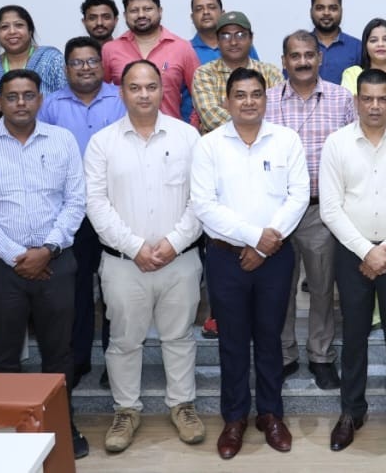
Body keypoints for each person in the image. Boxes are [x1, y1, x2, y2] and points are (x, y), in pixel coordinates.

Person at [0, 69, 89, 458]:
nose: (21, 103)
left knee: (59, 353)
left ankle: (62, 425)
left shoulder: (62, 140)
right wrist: (16, 255)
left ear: (40, 100)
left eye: (28, 95)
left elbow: (76, 201)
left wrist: (47, 249)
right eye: (12, 97)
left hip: (56, 261)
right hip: (3, 267)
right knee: (4, 353)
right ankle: (9, 431)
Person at [85, 60, 206, 452]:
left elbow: (201, 199)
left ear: (162, 89)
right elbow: (96, 204)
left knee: (180, 336)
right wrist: (135, 247)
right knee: (123, 340)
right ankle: (126, 410)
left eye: (151, 86)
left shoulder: (188, 137)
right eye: (134, 87)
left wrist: (173, 242)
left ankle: (182, 406)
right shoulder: (102, 143)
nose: (143, 94)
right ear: (121, 91)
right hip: (123, 263)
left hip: (180, 259)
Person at [190, 68, 308, 459]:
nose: (248, 101)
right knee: (233, 341)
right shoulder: (209, 146)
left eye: (256, 94)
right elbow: (204, 205)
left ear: (266, 99)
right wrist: (254, 238)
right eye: (240, 95)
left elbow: (298, 196)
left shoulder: (286, 140)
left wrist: (265, 244)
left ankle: (271, 414)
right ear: (226, 102)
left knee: (272, 338)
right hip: (226, 257)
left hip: (275, 257)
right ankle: (235, 417)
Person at [319, 69, 386, 455]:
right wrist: (367, 251)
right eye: (367, 98)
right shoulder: (337, 143)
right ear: (356, 101)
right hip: (353, 254)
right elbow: (331, 208)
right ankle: (352, 412)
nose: (375, 106)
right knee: (353, 337)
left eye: (383, 99)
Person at [265, 31, 355, 388]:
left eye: (308, 55)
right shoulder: (267, 100)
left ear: (320, 58)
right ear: (284, 61)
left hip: (321, 211)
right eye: (295, 55)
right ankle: (284, 353)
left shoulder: (341, 98)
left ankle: (321, 355)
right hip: (277, 212)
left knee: (321, 287)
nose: (302, 62)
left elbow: (352, 151)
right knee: (280, 288)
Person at [39, 36, 127, 388]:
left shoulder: (121, 99)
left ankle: (114, 362)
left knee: (114, 290)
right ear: (66, 69)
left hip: (114, 208)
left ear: (102, 65)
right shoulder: (51, 105)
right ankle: (77, 361)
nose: (85, 68)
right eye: (77, 62)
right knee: (74, 291)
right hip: (70, 212)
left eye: (91, 61)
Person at [102, 0, 200, 123]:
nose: (141, 15)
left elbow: (199, 94)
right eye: (134, 10)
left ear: (160, 11)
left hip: (170, 131)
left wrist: (191, 127)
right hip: (123, 132)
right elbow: (100, 95)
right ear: (125, 15)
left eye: (148, 9)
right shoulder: (110, 50)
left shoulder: (182, 48)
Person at [192, 11, 283, 134]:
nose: (233, 42)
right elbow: (211, 118)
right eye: (226, 36)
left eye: (240, 35)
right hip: (219, 144)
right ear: (217, 40)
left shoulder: (271, 73)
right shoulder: (205, 74)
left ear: (251, 38)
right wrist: (253, 118)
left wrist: (232, 110)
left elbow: (279, 115)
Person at [186, 0, 257, 124]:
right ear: (192, 17)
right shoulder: (185, 50)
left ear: (222, 13)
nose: (206, 12)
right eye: (199, 9)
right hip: (201, 129)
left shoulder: (244, 48)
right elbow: (209, 113)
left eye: (211, 7)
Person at [0, 4, 66, 94]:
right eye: (4, 27)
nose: (12, 31)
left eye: (19, 25)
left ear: (30, 31)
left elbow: (68, 97)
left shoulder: (52, 60)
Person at [310, 0, 361, 84]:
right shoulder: (300, 47)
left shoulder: (358, 48)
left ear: (341, 11)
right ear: (311, 11)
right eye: (320, 8)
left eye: (333, 8)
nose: (326, 13)